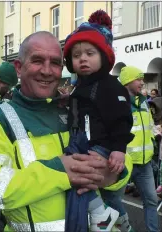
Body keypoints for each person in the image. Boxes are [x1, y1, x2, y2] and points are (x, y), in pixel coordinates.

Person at [0, 31, 132, 232]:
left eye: (55, 63)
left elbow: (121, 153)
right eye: (37, 60)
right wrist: (59, 171)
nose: (47, 71)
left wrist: (113, 174)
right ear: (18, 68)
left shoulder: (76, 108)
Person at [63, 10, 134, 231]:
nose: (82, 58)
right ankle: (112, 218)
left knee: (80, 177)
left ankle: (100, 215)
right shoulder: (81, 87)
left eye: (90, 53)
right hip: (87, 145)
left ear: (104, 56)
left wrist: (119, 149)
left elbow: (122, 119)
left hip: (102, 147)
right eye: (76, 55)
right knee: (82, 180)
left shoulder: (109, 85)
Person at [118, 66, 159, 232]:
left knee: (151, 200)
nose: (142, 83)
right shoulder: (117, 101)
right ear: (128, 81)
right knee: (113, 201)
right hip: (124, 163)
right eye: (139, 79)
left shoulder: (143, 101)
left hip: (145, 163)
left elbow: (148, 126)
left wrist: (156, 133)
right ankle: (125, 229)